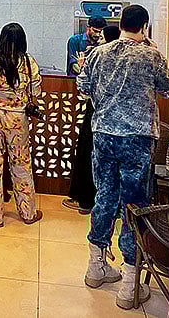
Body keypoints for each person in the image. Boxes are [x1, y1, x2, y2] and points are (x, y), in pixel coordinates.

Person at [79, 5, 169, 310]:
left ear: (120, 24)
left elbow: (83, 87)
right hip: (138, 138)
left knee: (104, 197)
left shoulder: (98, 53)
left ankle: (96, 268)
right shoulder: (150, 56)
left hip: (104, 135)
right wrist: (157, 52)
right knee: (135, 205)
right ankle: (129, 284)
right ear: (144, 26)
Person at [0, 22, 44, 227]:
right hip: (17, 120)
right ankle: (27, 212)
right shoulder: (27, 61)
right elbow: (36, 91)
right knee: (21, 165)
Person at [64, 25, 121, 214]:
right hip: (118, 124)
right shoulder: (124, 61)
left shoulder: (99, 57)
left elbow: (83, 87)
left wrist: (82, 68)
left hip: (96, 116)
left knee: (89, 155)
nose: (100, 40)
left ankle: (86, 201)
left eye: (103, 37)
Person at [61, 15, 108, 211]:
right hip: (76, 92)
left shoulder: (105, 49)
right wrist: (79, 67)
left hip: (94, 106)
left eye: (100, 32)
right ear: (88, 28)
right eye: (95, 31)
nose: (97, 35)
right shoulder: (74, 41)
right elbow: (72, 65)